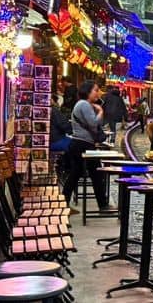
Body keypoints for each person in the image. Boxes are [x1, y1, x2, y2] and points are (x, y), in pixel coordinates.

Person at [62, 81, 111, 211]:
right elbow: (94, 124)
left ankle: (64, 202)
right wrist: (100, 111)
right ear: (88, 91)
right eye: (96, 90)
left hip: (80, 143)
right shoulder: (84, 104)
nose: (98, 93)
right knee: (94, 174)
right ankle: (103, 205)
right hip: (83, 144)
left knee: (78, 174)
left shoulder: (83, 104)